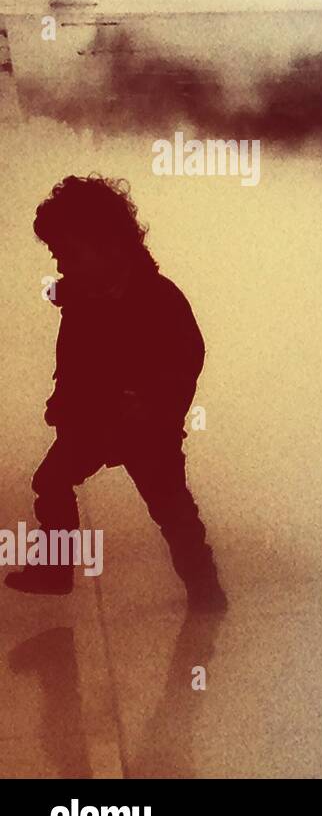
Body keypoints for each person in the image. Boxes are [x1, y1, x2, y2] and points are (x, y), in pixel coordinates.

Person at [5, 175, 226, 611]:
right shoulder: (83, 296)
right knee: (51, 481)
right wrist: (64, 403)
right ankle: (56, 570)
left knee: (171, 508)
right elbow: (75, 358)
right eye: (57, 254)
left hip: (147, 427)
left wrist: (153, 406)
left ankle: (205, 588)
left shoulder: (159, 299)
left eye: (67, 252)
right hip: (92, 419)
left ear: (109, 244)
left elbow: (186, 359)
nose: (61, 263)